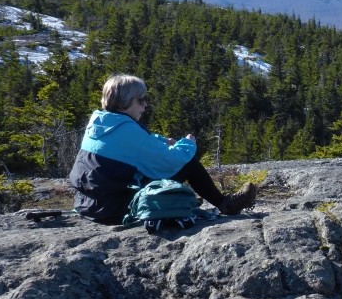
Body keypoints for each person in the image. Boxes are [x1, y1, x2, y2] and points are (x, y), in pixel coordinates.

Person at [69, 74, 257, 224]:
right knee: (188, 163)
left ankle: (180, 199)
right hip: (115, 210)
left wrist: (160, 141)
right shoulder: (128, 130)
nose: (145, 105)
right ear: (125, 101)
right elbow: (171, 161)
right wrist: (188, 143)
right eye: (140, 100)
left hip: (87, 206)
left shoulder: (99, 123)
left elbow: (135, 145)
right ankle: (225, 204)